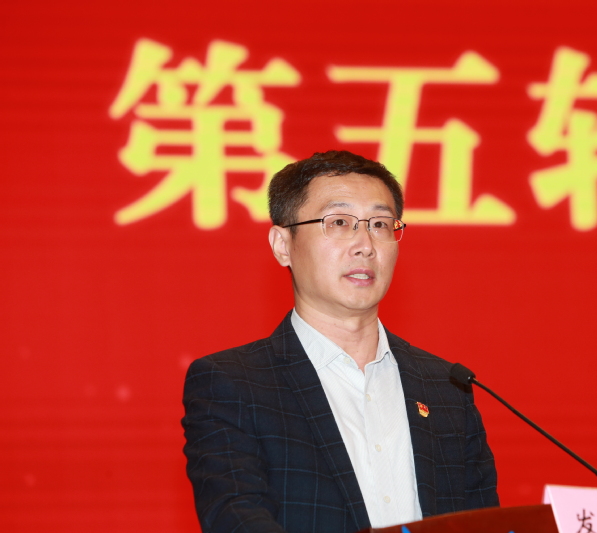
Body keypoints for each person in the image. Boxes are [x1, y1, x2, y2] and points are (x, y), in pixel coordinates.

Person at [182, 150, 498, 533]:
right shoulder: (232, 384)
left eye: (380, 224)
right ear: (283, 245)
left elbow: (485, 523)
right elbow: (237, 518)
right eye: (339, 222)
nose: (365, 244)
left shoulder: (447, 387)